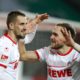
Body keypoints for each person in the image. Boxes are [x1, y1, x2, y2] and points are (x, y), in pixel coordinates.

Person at [0, 10, 48, 80]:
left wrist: (35, 23)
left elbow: (28, 38)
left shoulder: (14, 42)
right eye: (22, 24)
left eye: (26, 24)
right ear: (11, 25)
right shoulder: (5, 46)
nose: (25, 27)